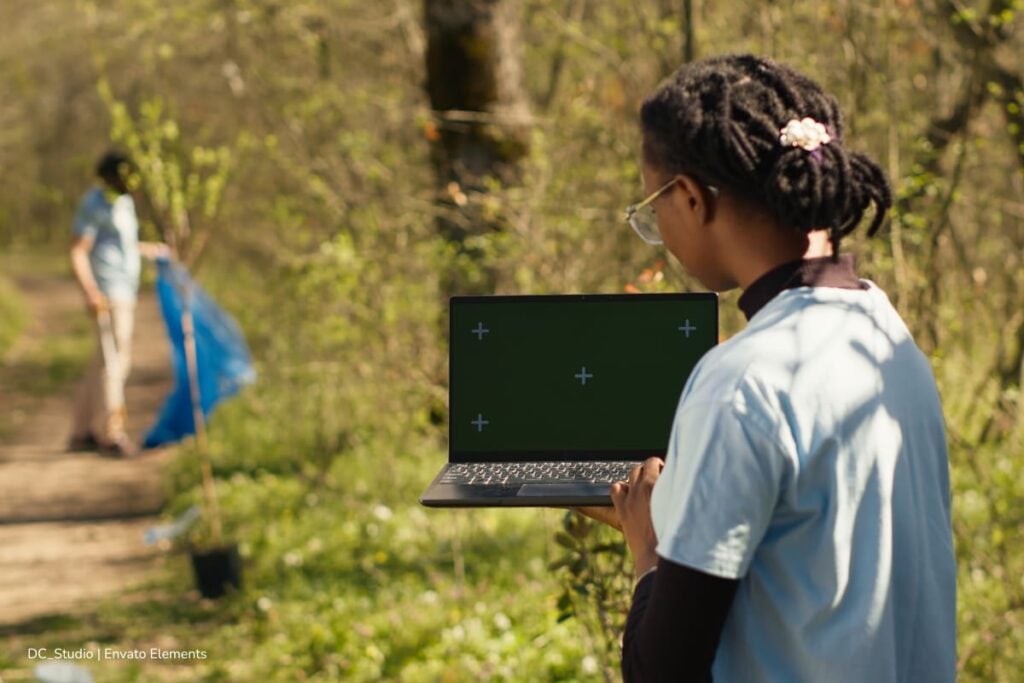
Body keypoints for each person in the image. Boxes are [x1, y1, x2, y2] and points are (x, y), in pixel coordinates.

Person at [579, 55, 956, 682]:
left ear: (692, 198)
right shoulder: (886, 335)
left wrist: (647, 547)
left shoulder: (741, 382)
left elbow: (660, 670)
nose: (658, 230)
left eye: (652, 209)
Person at [68, 150, 169, 457]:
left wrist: (149, 250)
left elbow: (118, 245)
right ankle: (111, 434)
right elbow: (78, 251)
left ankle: (81, 431)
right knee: (115, 361)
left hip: (126, 290)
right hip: (107, 292)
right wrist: (90, 291)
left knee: (101, 361)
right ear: (110, 177)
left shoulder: (124, 204)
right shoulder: (94, 203)